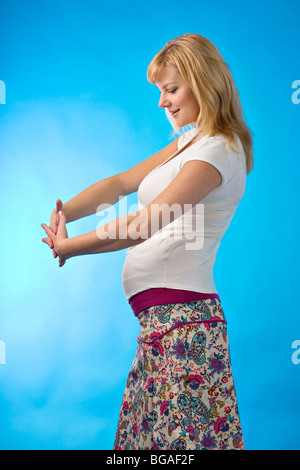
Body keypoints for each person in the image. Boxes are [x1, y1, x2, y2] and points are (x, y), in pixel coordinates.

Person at [41, 33, 253, 450]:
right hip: (160, 328)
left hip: (185, 328)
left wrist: (71, 246)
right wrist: (65, 212)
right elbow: (121, 184)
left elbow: (148, 222)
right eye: (160, 91)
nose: (162, 102)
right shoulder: (188, 143)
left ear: (205, 83)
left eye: (171, 89)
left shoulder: (217, 152)